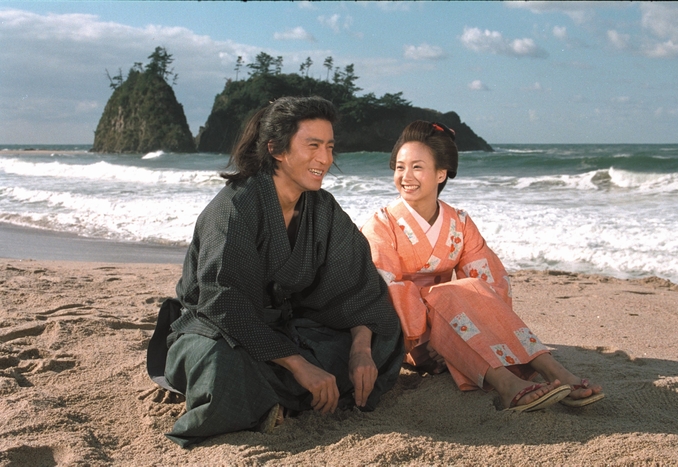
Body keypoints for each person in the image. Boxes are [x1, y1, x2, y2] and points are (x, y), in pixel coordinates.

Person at [147, 96, 404, 447]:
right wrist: (299, 365)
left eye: (330, 147)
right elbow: (223, 303)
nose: (325, 159)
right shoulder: (234, 208)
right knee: (221, 365)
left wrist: (360, 349)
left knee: (381, 336)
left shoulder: (322, 208)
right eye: (313, 146)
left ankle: (273, 399)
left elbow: (358, 286)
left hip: (287, 328)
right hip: (217, 331)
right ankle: (281, 395)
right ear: (276, 149)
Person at [360, 120, 604, 412]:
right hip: (410, 335)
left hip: (458, 322)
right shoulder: (381, 225)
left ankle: (553, 369)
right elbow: (386, 288)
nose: (405, 176)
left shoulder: (459, 222)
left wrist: (482, 325)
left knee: (472, 288)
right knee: (448, 294)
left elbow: (487, 281)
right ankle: (507, 384)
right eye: (400, 167)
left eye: (417, 167)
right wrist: (430, 336)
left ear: (441, 173)